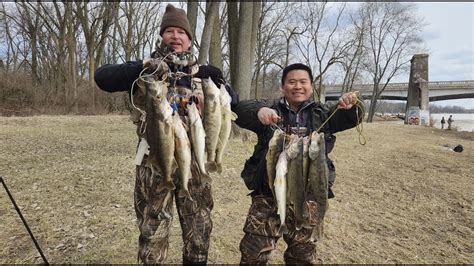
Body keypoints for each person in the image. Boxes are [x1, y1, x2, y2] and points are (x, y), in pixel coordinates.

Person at [94, 4, 238, 264]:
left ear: (190, 39)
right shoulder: (145, 72)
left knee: (199, 234)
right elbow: (102, 78)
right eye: (169, 30)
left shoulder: (202, 75)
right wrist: (142, 68)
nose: (175, 36)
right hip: (154, 163)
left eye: (181, 32)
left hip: (195, 164)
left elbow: (232, 104)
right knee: (153, 236)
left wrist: (221, 82)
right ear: (161, 36)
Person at [234, 63, 362, 264]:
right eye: (291, 82)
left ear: (311, 86)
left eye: (303, 82)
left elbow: (352, 118)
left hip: (307, 195)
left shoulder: (324, 113)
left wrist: (351, 105)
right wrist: (259, 111)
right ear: (283, 87)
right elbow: (239, 111)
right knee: (252, 254)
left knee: (302, 258)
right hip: (268, 194)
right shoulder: (270, 107)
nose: (297, 86)